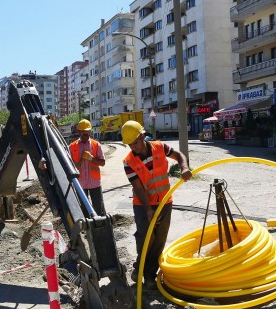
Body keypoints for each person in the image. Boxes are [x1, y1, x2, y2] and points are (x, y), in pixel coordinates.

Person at [121, 120, 192, 288]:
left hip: (165, 201)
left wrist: (184, 168)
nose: (134, 147)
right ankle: (142, 269)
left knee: (159, 239)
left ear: (143, 136)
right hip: (143, 204)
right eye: (130, 145)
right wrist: (148, 210)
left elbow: (179, 155)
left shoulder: (160, 147)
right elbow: (138, 188)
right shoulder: (128, 161)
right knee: (146, 238)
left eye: (136, 142)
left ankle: (148, 274)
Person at [69, 119, 106, 217]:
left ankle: (100, 229)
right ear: (79, 132)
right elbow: (70, 167)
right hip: (80, 184)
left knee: (99, 210)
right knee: (84, 211)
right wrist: (81, 159)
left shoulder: (96, 145)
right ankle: (88, 229)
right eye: (83, 131)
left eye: (87, 131)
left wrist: (92, 159)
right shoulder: (72, 147)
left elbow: (102, 163)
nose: (85, 133)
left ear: (90, 131)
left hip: (94, 183)